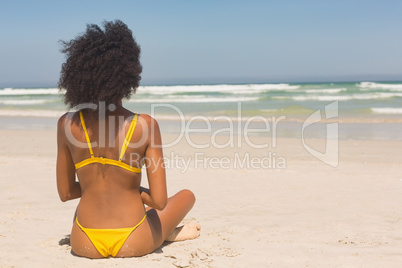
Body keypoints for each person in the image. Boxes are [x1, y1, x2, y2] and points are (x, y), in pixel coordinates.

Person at [56, 20, 200, 258]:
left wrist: (102, 185)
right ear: (128, 74)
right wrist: (130, 188)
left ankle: (164, 233)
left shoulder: (67, 125)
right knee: (187, 195)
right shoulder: (145, 125)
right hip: (133, 238)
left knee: (85, 206)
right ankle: (165, 234)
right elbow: (159, 201)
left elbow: (66, 193)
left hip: (83, 241)